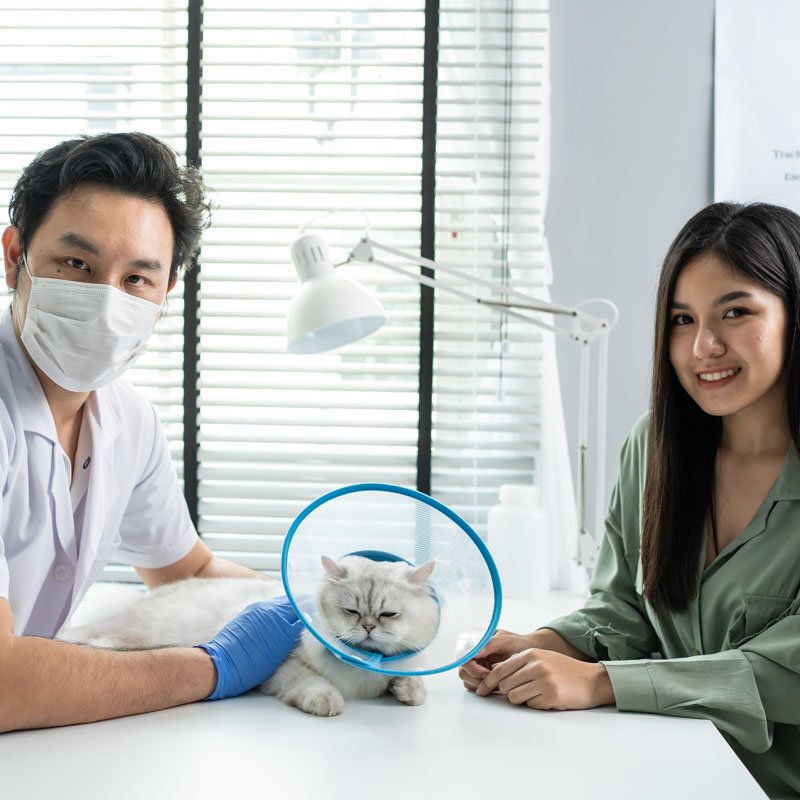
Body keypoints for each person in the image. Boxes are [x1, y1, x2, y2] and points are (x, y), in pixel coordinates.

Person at [460, 202, 800, 799]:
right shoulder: (654, 446)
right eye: (682, 320)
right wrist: (545, 644)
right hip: (659, 767)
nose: (704, 346)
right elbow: (624, 607)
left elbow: (783, 673)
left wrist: (602, 682)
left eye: (736, 312)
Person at [0, 132, 303, 732]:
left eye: (137, 278)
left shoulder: (127, 419)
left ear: (166, 293)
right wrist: (215, 667)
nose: (105, 301)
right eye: (77, 264)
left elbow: (189, 572)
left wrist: (323, 609)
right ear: (15, 256)